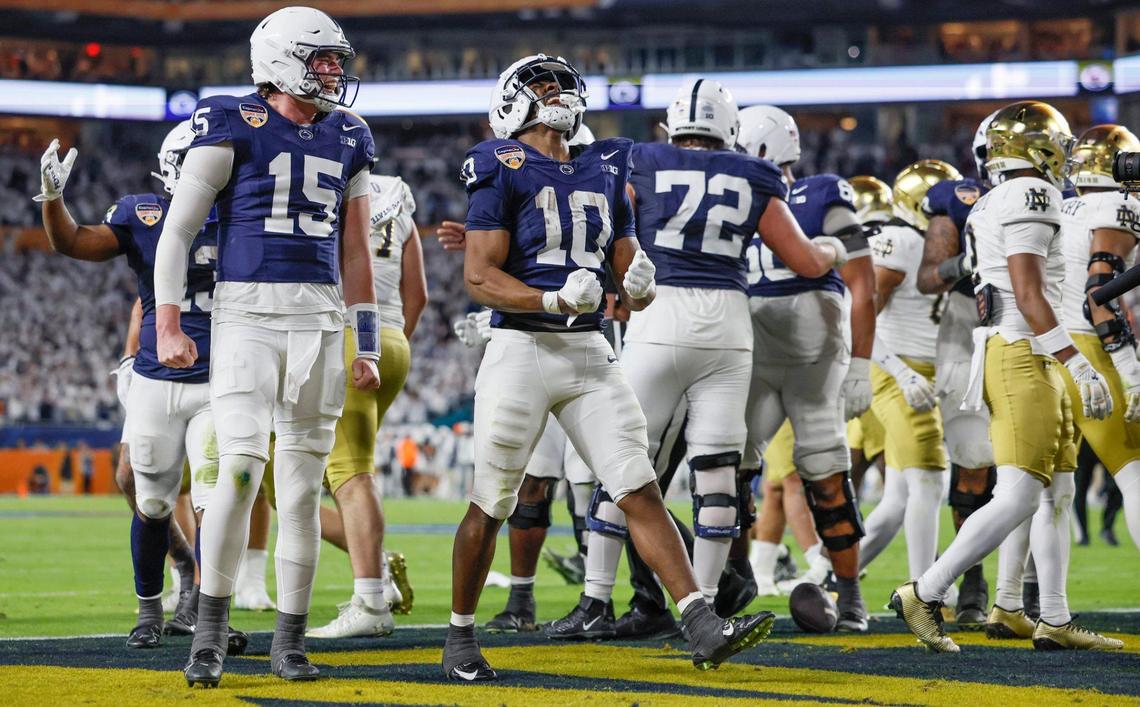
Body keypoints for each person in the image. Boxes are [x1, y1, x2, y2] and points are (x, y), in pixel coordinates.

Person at [444, 54, 782, 682]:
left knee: (638, 486)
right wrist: (547, 298)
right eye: (544, 87)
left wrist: (642, 281)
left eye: (564, 85)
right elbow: (479, 276)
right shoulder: (499, 163)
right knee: (492, 501)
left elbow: (628, 275)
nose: (559, 95)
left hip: (589, 350)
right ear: (512, 104)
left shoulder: (605, 164)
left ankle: (700, 621)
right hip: (521, 348)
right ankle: (460, 636)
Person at [153, 6, 380, 685]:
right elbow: (176, 232)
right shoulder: (230, 121)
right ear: (280, 58)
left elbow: (358, 249)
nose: (335, 70)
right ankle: (212, 632)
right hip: (247, 315)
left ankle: (291, 637)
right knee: (241, 471)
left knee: (305, 493)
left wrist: (364, 340)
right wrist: (167, 320)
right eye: (321, 58)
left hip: (319, 317)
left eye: (337, 58)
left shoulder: (350, 133)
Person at [892, 100, 1122, 652]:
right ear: (1037, 148)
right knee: (1020, 494)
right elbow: (1027, 293)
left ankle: (1050, 617)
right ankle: (925, 591)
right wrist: (1076, 360)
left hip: (1022, 345)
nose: (1065, 155)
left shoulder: (997, 197)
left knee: (1059, 489)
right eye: (1058, 145)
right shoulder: (1030, 192)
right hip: (1024, 349)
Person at [36, 122, 222, 651]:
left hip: (222, 376)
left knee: (216, 496)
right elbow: (70, 241)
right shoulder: (146, 214)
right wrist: (53, 199)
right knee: (151, 499)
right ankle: (149, 609)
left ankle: (212, 611)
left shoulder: (242, 214)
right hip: (157, 378)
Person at [736, 104, 877, 631]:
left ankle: (851, 593)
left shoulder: (821, 193)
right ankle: (730, 580)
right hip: (752, 355)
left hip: (813, 360)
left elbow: (864, 281)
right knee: (730, 473)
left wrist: (862, 362)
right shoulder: (730, 196)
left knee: (827, 477)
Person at [307, 174, 426, 638]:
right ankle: (376, 576)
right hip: (392, 340)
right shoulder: (396, 198)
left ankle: (371, 599)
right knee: (294, 478)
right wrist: (387, 344)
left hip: (349, 336)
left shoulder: (323, 184)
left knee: (349, 474)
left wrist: (359, 345)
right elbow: (418, 293)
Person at [857, 160, 960, 583]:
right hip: (898, 368)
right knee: (931, 483)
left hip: (930, 372)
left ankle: (830, 578)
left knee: (897, 500)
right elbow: (861, 315)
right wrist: (899, 373)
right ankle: (925, 595)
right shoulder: (898, 239)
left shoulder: (939, 240)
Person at [915, 111, 998, 628]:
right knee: (972, 461)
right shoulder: (958, 198)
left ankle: (1027, 588)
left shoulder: (1061, 197)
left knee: (1041, 466)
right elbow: (928, 278)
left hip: (1035, 325)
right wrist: (963, 266)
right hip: (969, 328)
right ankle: (972, 577)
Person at [1058, 123, 1140, 552]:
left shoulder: (1063, 208)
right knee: (1135, 473)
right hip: (1092, 347)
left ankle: (1020, 601)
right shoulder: (1117, 206)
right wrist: (1130, 369)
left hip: (1049, 347)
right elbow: (1099, 293)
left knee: (1042, 492)